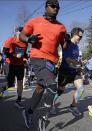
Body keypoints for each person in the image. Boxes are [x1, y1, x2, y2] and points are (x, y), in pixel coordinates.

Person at [19, 0, 67, 129]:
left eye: (57, 7)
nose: (55, 9)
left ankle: (28, 112)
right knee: (51, 85)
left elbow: (64, 46)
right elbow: (22, 35)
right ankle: (43, 117)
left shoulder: (61, 27)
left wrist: (66, 40)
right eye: (52, 6)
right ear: (46, 7)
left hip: (52, 61)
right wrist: (29, 39)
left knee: (40, 88)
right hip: (38, 57)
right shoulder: (35, 21)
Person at [51, 27, 85, 116]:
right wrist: (79, 63)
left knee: (81, 89)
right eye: (79, 36)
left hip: (74, 71)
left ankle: (73, 106)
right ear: (74, 34)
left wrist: (79, 67)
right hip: (65, 71)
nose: (81, 38)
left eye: (82, 37)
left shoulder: (77, 46)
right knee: (61, 90)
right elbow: (68, 59)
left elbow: (75, 60)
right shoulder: (67, 44)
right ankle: (51, 104)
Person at [1, 27, 28, 108]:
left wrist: (26, 57)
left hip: (20, 65)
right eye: (21, 32)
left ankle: (18, 101)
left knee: (20, 83)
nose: (22, 34)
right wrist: (14, 55)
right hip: (10, 64)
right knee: (10, 84)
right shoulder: (10, 40)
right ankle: (2, 90)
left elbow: (24, 54)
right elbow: (4, 52)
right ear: (16, 32)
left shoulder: (25, 43)